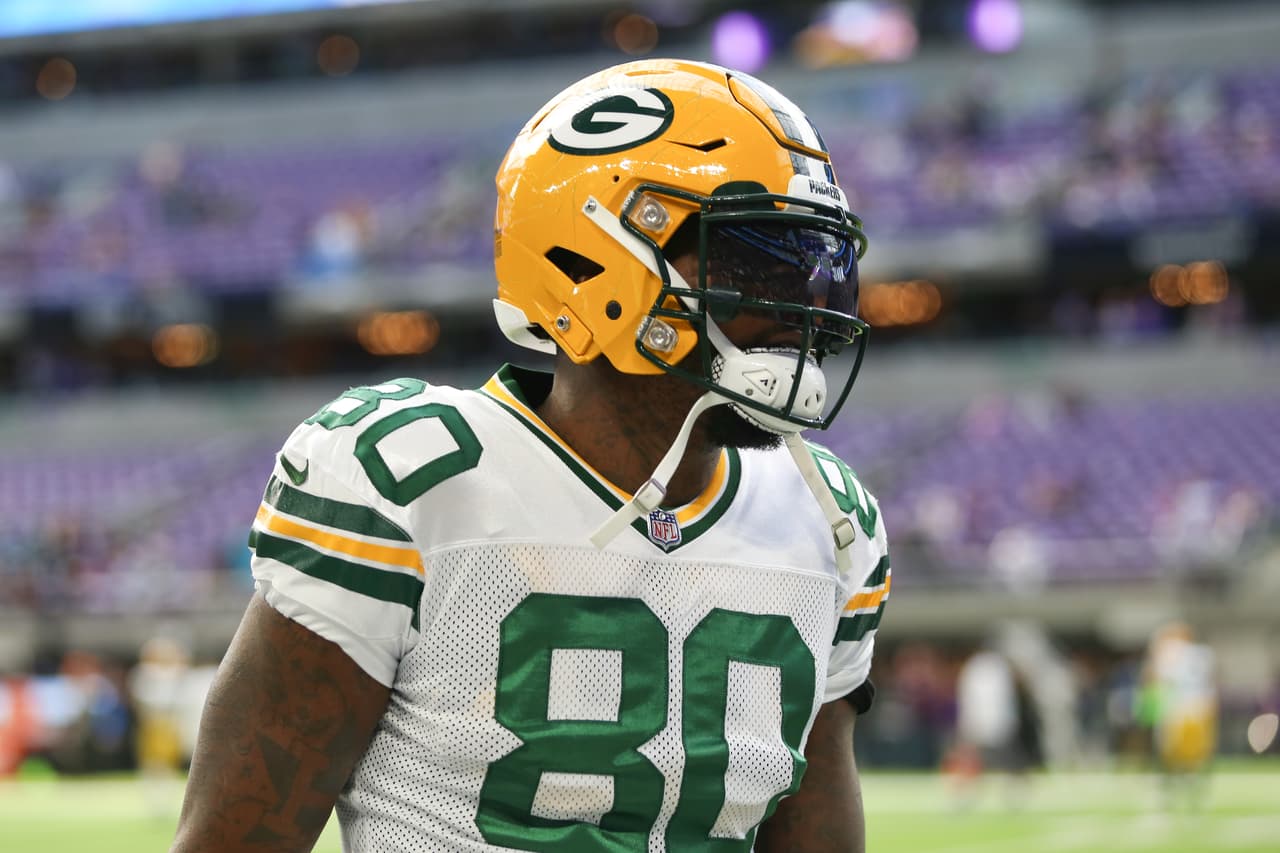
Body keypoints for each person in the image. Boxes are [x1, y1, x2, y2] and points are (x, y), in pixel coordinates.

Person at [171, 58, 892, 852]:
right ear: (592, 261)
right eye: (759, 260)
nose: (804, 300)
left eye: (815, 263)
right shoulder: (410, 478)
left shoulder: (828, 519)